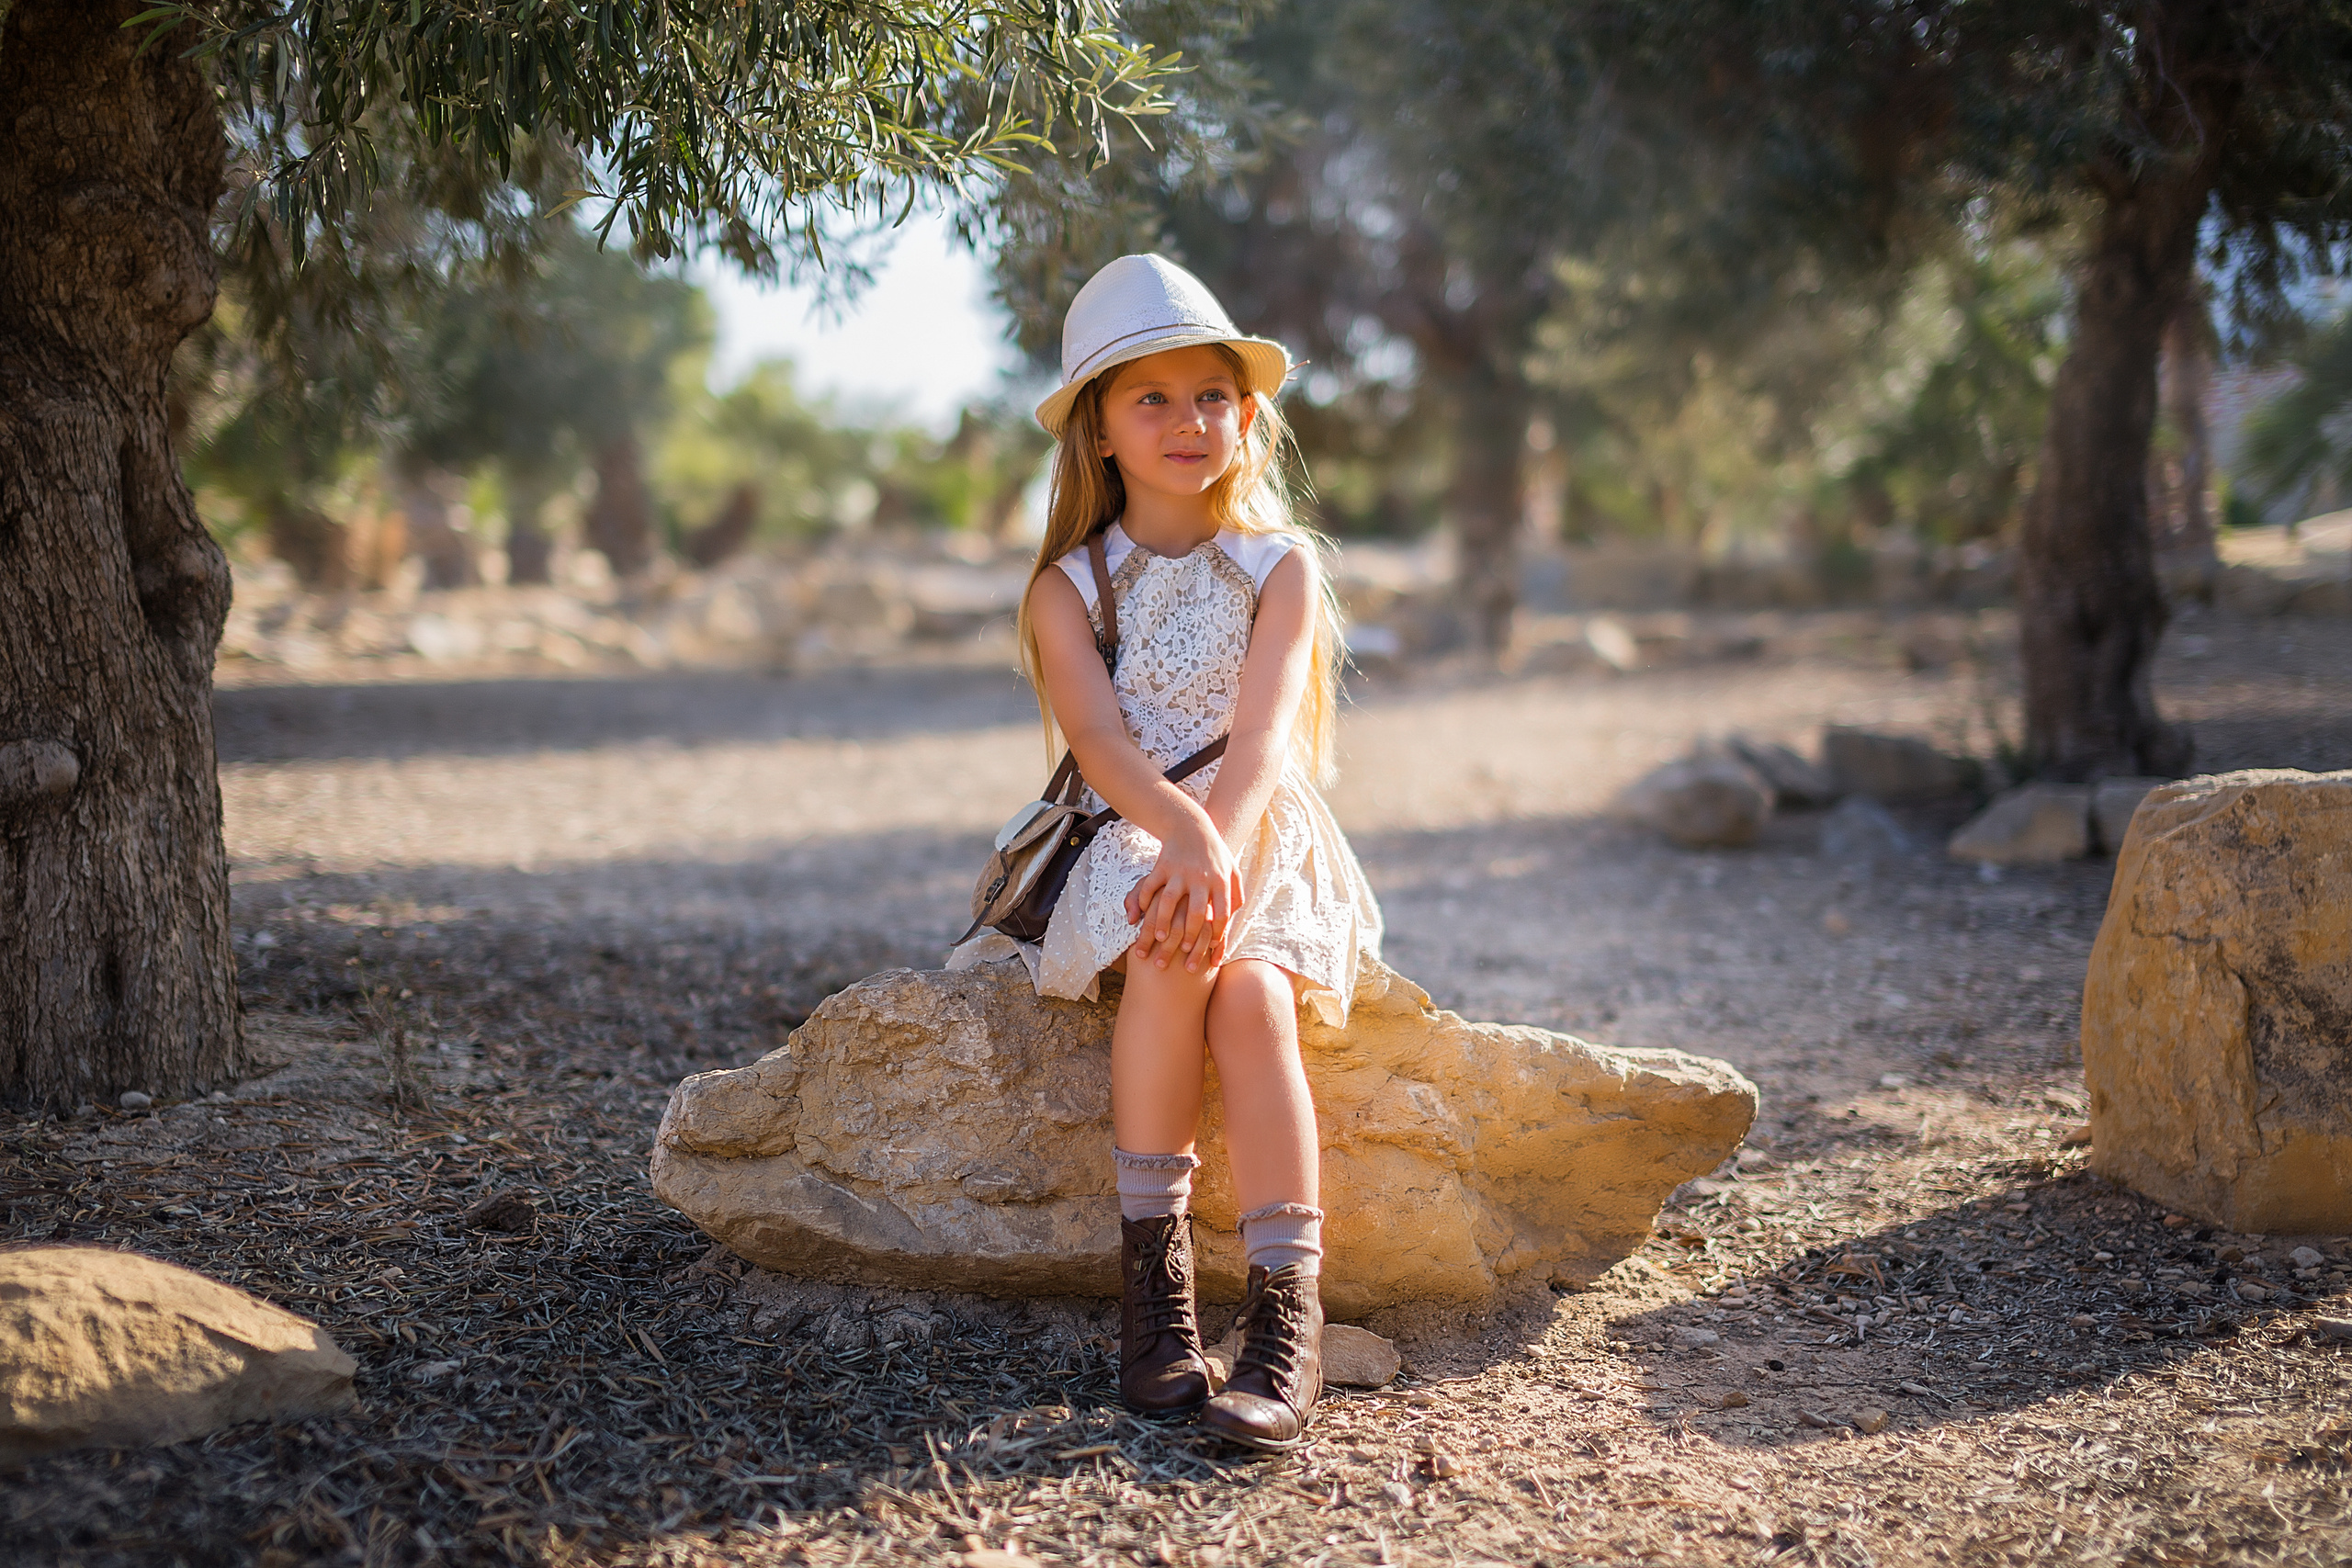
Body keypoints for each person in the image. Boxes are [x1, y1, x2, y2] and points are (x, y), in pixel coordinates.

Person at [950, 254, 1384, 1451]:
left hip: (1256, 823)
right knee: (1170, 948)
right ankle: (1158, 1294)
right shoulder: (1069, 587)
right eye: (1152, 398)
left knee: (1252, 999)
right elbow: (1096, 739)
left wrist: (1217, 841)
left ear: (1247, 417)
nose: (1189, 421)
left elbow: (1260, 738)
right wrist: (1181, 839)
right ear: (1096, 430)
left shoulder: (1279, 565)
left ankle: (1286, 1315)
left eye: (1212, 396)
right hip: (1138, 824)